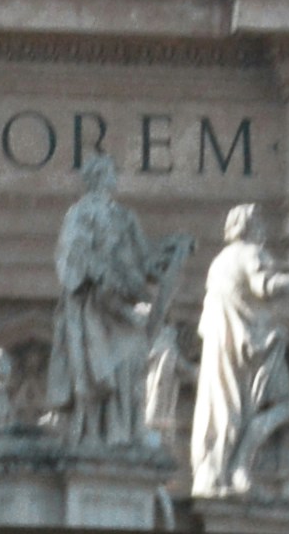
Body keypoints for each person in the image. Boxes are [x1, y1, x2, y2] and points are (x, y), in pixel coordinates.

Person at [187, 201, 289, 495]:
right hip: (251, 348)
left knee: (222, 409)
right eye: (259, 224)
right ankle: (239, 465)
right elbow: (266, 287)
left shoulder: (219, 263)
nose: (264, 231)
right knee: (281, 405)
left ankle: (225, 469)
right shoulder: (250, 254)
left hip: (221, 349)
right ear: (249, 226)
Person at [43, 147, 182, 448]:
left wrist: (172, 251)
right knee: (99, 369)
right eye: (109, 173)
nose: (114, 178)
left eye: (113, 173)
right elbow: (73, 259)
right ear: (98, 178)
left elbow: (144, 260)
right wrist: (104, 276)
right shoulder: (80, 213)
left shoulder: (124, 216)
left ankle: (123, 430)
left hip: (120, 303)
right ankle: (94, 434)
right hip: (93, 303)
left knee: (133, 354)